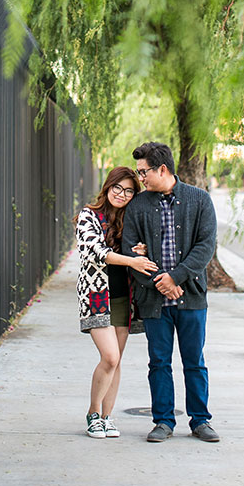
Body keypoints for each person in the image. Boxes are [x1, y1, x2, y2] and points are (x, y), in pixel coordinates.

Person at [121, 142, 219, 444]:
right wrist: (158, 282)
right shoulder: (138, 206)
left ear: (162, 169)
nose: (141, 179)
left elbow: (206, 246)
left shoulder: (200, 200)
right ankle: (163, 421)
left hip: (190, 296)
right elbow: (129, 250)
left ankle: (200, 421)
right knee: (159, 362)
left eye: (143, 172)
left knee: (194, 361)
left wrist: (176, 277)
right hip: (154, 301)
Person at [75, 165, 158, 439]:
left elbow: (142, 247)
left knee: (116, 360)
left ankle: (107, 417)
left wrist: (140, 250)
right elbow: (95, 252)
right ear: (108, 187)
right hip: (96, 297)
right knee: (109, 356)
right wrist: (131, 259)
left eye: (129, 191)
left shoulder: (130, 219)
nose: (122, 194)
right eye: (117, 188)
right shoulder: (89, 215)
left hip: (124, 297)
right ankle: (93, 412)